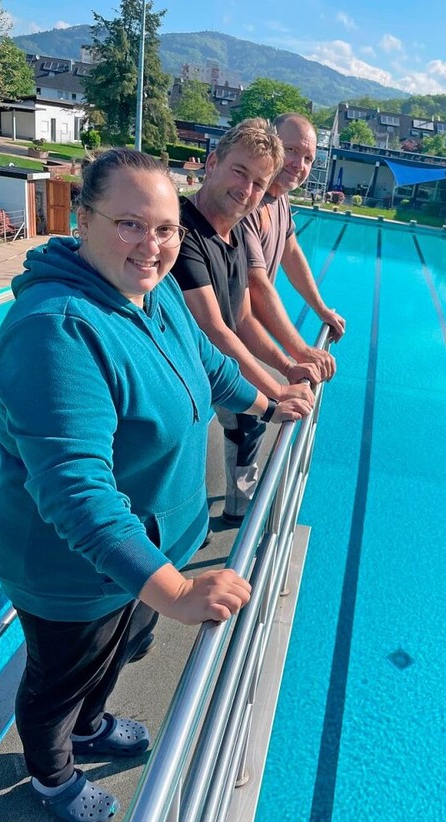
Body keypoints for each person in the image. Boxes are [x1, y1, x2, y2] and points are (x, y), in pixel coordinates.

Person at [0, 148, 310, 822]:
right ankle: (50, 770)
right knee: (59, 675)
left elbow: (209, 365)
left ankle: (92, 724)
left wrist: (264, 401)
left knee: (116, 647)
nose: (152, 245)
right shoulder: (58, 329)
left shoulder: (152, 295)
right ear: (82, 218)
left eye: (163, 228)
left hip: (140, 549)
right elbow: (77, 494)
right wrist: (177, 590)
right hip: (67, 564)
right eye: (129, 224)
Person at [172, 119, 320, 526]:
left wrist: (290, 370)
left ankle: (233, 511)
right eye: (240, 172)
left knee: (245, 424)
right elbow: (215, 330)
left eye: (258, 182)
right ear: (212, 162)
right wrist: (275, 395)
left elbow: (242, 320)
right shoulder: (180, 232)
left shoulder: (233, 239)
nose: (247, 189)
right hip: (174, 386)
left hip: (205, 382)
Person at [242, 113, 346, 382]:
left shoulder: (279, 197)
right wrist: (300, 351)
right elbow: (257, 285)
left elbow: (291, 252)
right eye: (292, 150)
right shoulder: (247, 202)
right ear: (270, 145)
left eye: (308, 158)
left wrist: (321, 308)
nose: (299, 165)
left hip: (250, 337)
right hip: (227, 342)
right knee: (246, 420)